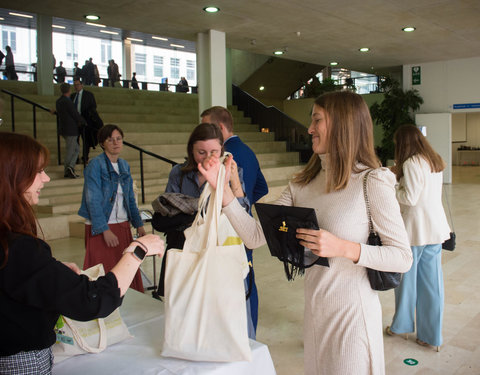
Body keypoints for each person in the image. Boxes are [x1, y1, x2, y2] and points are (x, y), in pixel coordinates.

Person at [199, 91, 413, 375]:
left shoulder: (372, 180)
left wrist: (343, 248)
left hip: (353, 319)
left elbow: (402, 257)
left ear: (342, 124)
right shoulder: (303, 184)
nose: (310, 128)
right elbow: (254, 236)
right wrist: (224, 194)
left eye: (317, 120)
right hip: (315, 315)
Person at [0, 132, 164, 373]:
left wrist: (48, 274)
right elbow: (90, 300)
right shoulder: (17, 247)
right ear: (12, 177)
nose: (45, 178)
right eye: (37, 171)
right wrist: (138, 251)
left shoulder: (15, 246)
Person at [151, 123, 255, 338]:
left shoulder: (232, 172)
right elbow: (170, 210)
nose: (208, 157)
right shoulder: (179, 174)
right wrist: (199, 211)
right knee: (187, 315)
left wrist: (234, 181)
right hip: (186, 251)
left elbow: (243, 216)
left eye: (214, 152)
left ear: (223, 150)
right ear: (191, 151)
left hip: (219, 253)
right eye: (201, 152)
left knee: (226, 317)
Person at [201, 105, 268, 334]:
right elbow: (262, 187)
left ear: (219, 128)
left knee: (233, 283)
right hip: (243, 223)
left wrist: (235, 206)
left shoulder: (223, 157)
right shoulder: (248, 150)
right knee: (248, 278)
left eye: (206, 128)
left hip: (228, 229)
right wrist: (245, 205)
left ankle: (238, 335)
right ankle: (252, 332)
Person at [385, 124, 451, 352]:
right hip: (436, 230)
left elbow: (409, 198)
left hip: (415, 231)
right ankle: (431, 336)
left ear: (404, 143)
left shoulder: (412, 162)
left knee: (405, 283)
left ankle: (401, 326)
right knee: (433, 285)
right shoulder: (435, 160)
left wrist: (391, 185)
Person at [78, 124, 147, 293]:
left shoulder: (124, 165)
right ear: (102, 143)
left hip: (122, 225)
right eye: (110, 139)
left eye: (118, 139)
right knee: (102, 273)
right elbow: (92, 200)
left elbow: (130, 197)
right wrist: (104, 230)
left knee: (125, 270)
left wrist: (139, 224)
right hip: (103, 226)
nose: (116, 142)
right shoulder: (96, 165)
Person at [56, 82, 84, 178]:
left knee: (76, 149)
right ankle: (67, 170)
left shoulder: (59, 101)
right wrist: (83, 121)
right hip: (71, 129)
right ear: (69, 90)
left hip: (64, 128)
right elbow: (74, 113)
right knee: (71, 150)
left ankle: (70, 167)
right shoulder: (67, 101)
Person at [71, 79, 103, 163]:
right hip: (75, 122)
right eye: (75, 85)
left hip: (86, 122)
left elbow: (93, 107)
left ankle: (85, 157)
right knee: (75, 141)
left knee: (86, 140)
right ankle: (75, 158)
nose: (76, 87)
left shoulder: (88, 95)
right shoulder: (72, 96)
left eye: (77, 85)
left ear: (82, 85)